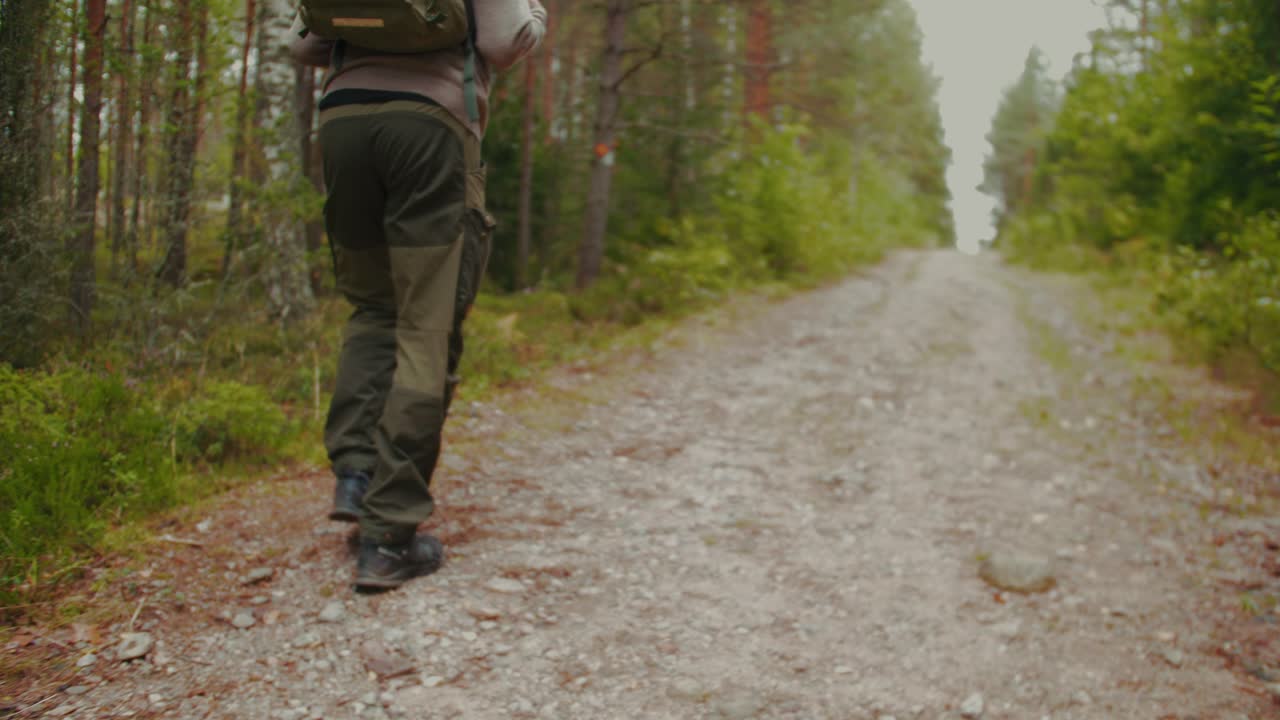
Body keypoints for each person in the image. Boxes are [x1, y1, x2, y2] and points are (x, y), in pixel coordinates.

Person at [290, 0, 547, 590]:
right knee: (426, 327)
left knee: (373, 307)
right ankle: (388, 537)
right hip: (430, 128)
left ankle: (356, 476)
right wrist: (536, 13)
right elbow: (505, 41)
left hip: (344, 124)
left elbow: (304, 45)